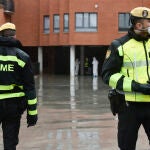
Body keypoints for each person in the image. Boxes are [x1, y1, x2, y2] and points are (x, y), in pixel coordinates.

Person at [101, 7, 150, 150]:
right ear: (139, 25)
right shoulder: (119, 45)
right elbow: (108, 75)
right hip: (129, 107)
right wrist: (137, 86)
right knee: (126, 146)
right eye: (149, 22)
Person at [0, 22, 38, 150]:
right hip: (13, 108)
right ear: (15, 36)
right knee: (10, 143)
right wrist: (32, 114)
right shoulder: (22, 57)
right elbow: (30, 89)